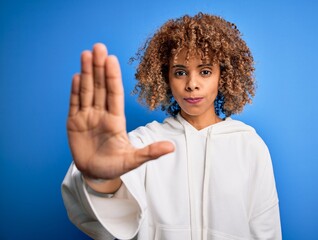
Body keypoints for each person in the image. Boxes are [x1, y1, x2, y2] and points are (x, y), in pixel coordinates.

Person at [61, 12, 282, 240]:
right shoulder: (144, 143)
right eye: (180, 72)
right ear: (165, 77)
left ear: (222, 76)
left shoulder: (249, 146)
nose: (192, 84)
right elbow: (107, 218)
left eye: (205, 71)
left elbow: (266, 231)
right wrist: (100, 180)